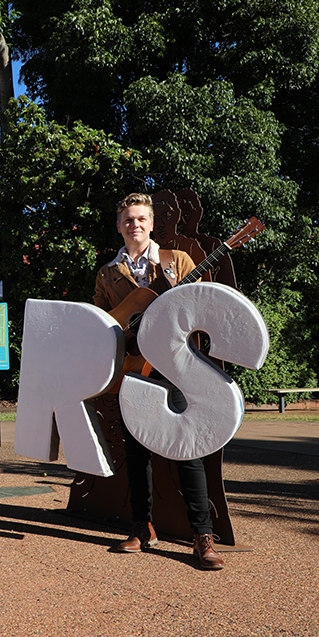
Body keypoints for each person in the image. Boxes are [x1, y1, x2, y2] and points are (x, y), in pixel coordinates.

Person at [94, 192, 224, 570]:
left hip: (175, 368)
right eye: (128, 219)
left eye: (141, 219)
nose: (134, 224)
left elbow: (200, 308)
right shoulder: (106, 273)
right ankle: (142, 526)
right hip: (132, 369)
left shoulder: (176, 261)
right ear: (119, 226)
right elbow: (101, 326)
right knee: (136, 454)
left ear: (151, 224)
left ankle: (202, 535)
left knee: (187, 450)